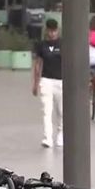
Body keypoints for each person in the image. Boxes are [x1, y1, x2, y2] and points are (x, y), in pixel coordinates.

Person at [33, 18, 63, 148]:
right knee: (46, 110)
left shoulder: (63, 44)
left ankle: (61, 136)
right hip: (46, 81)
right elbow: (38, 64)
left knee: (61, 111)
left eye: (54, 31)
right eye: (50, 31)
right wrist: (35, 83)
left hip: (61, 81)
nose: (52, 33)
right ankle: (47, 138)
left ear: (57, 31)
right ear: (47, 31)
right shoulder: (41, 45)